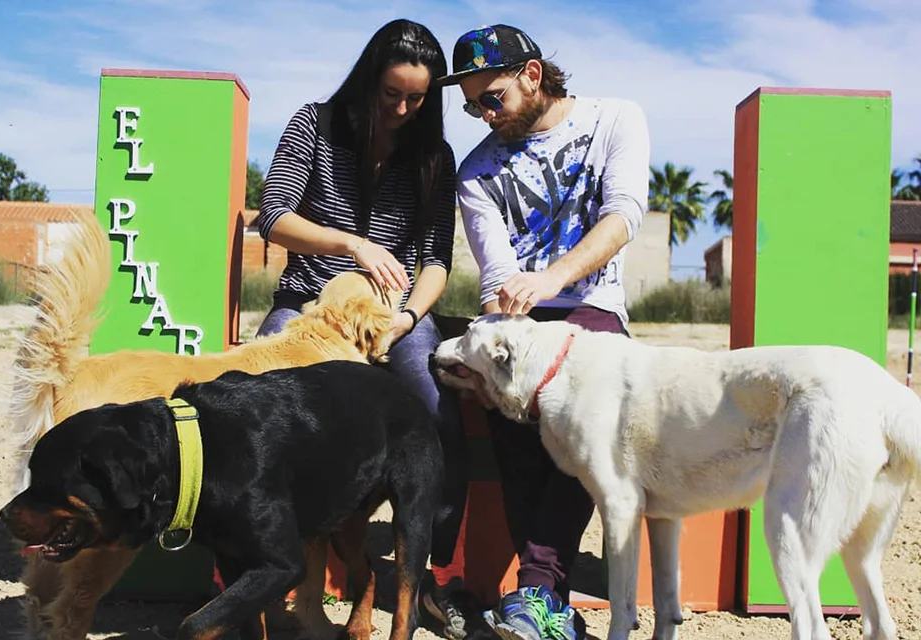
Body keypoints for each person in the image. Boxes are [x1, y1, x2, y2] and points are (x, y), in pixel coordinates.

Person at [256, 18, 479, 640]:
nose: (404, 108)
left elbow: (436, 260)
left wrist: (408, 318)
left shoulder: (434, 156)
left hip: (394, 316)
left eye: (417, 98)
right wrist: (351, 244)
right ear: (368, 79)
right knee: (254, 404)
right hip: (310, 305)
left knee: (437, 413)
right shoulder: (314, 124)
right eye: (392, 95)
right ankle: (250, 572)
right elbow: (272, 217)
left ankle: (429, 574)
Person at [436, 23, 651, 640]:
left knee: (570, 402)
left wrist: (554, 277)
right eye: (473, 104)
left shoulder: (615, 120)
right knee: (512, 412)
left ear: (532, 74)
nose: (483, 114)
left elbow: (624, 215)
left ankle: (534, 592)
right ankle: (543, 604)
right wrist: (499, 344)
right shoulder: (475, 172)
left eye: (492, 97)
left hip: (591, 307)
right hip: (522, 319)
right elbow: (497, 270)